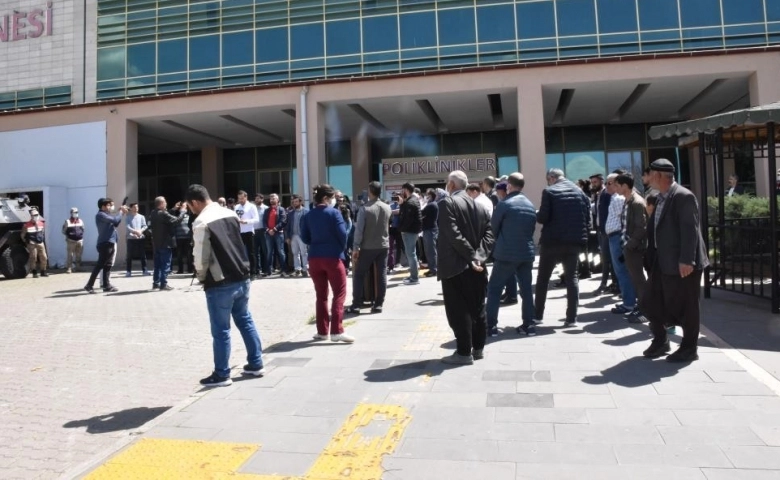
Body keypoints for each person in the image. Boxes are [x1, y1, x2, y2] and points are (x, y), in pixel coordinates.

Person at [186, 184, 264, 387]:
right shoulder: (229, 213)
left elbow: (200, 256)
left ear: (195, 202)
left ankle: (222, 374)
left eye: (190, 206)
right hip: (241, 274)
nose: (190, 210)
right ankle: (256, 363)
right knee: (245, 320)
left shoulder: (201, 221)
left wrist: (202, 277)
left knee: (221, 330)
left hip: (219, 282)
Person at [642, 159, 709, 363]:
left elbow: (690, 230)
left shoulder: (683, 196)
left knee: (687, 306)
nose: (648, 177)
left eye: (651, 174)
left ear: (661, 176)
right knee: (652, 303)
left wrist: (687, 260)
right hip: (662, 262)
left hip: (683, 264)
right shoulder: (659, 197)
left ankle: (689, 348)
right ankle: (661, 340)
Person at [438, 171, 494, 365]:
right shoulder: (480, 206)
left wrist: (472, 257)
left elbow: (452, 233)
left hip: (455, 266)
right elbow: (489, 235)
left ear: (451, 185)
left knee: (458, 310)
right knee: (477, 308)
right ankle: (478, 348)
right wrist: (478, 257)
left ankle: (463, 352)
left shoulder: (447, 203)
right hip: (477, 266)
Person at [534, 168, 591, 327]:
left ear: (551, 178)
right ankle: (571, 318)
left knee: (543, 279)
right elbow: (588, 218)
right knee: (572, 278)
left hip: (552, 242)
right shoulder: (580, 192)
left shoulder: (549, 192)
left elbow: (543, 217)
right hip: (573, 242)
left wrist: (537, 214)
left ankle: (538, 316)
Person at [300, 184, 355, 343]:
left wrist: (316, 243)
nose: (333, 200)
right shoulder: (334, 213)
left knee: (321, 295)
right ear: (326, 198)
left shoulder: (309, 215)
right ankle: (337, 330)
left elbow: (305, 237)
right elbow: (343, 235)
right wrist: (339, 249)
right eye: (332, 198)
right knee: (339, 293)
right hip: (332, 257)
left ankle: (322, 331)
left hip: (314, 257)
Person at [486, 173, 537, 337]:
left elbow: (493, 229)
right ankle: (529, 325)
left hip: (506, 254)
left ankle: (491, 327)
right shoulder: (530, 205)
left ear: (509, 186)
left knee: (494, 290)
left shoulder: (504, 204)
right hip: (526, 254)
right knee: (527, 291)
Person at [345, 181, 391, 315]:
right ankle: (378, 304)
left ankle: (356, 304)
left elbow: (359, 231)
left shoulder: (365, 208)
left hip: (368, 246)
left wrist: (355, 247)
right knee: (381, 274)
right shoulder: (386, 207)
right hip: (383, 245)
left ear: (370, 192)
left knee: (359, 274)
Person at [614, 173, 648, 323]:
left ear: (625, 186)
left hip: (635, 249)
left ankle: (645, 310)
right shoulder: (628, 201)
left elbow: (641, 228)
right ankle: (640, 307)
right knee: (635, 280)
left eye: (617, 185)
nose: (614, 188)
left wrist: (630, 245)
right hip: (629, 248)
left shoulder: (637, 202)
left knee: (639, 281)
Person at [603, 174, 636, 315]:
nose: (607, 186)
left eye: (610, 183)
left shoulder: (619, 199)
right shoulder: (615, 198)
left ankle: (629, 303)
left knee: (622, 271)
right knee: (620, 271)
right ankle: (628, 300)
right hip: (613, 237)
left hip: (617, 237)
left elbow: (624, 221)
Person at [84, 198, 128, 293]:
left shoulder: (106, 215)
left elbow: (116, 222)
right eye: (108, 205)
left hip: (110, 242)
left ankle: (106, 285)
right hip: (105, 243)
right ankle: (89, 285)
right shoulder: (100, 215)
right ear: (103, 206)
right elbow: (115, 219)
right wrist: (120, 212)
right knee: (100, 265)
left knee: (107, 265)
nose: (110, 207)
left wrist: (121, 213)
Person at [149, 196, 187, 291]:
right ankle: (163, 284)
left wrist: (173, 209)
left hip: (157, 244)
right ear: (161, 204)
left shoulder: (153, 213)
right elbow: (176, 220)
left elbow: (166, 216)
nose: (166, 203)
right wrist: (182, 212)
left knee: (157, 265)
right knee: (165, 264)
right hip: (165, 243)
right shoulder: (163, 214)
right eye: (165, 202)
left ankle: (156, 283)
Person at [398, 182, 422, 285]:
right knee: (412, 253)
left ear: (406, 190)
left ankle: (414, 278)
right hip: (412, 231)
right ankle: (413, 275)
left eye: (403, 190)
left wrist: (402, 229)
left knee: (411, 254)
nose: (401, 192)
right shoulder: (412, 200)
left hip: (409, 231)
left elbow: (407, 218)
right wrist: (402, 204)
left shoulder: (410, 202)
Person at [234, 191, 260, 277]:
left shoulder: (251, 206)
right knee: (239, 253)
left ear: (246, 197)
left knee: (251, 253)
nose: (240, 200)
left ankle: (253, 272)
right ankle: (242, 271)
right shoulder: (236, 207)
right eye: (239, 198)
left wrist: (246, 222)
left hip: (248, 231)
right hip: (239, 232)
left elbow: (256, 219)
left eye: (242, 198)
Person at [262, 193, 288, 276]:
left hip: (278, 234)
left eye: (273, 198)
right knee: (269, 252)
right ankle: (268, 271)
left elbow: (283, 221)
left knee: (281, 252)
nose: (272, 200)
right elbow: (264, 221)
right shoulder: (267, 210)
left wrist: (274, 229)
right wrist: (268, 230)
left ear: (277, 200)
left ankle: (284, 270)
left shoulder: (281, 209)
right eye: (270, 199)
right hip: (268, 234)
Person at [285, 194, 308, 277]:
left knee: (304, 253)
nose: (294, 203)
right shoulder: (290, 213)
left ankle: (305, 269)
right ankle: (297, 269)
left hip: (302, 235)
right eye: (293, 202)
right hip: (293, 235)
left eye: (296, 201)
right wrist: (287, 237)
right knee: (295, 253)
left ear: (300, 202)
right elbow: (287, 226)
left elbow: (308, 225)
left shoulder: (306, 212)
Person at [21, 207, 48, 278]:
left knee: (44, 257)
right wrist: (27, 242)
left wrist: (41, 239)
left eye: (37, 215)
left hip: (40, 242)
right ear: (31, 216)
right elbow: (22, 235)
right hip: (32, 243)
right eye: (34, 215)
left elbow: (42, 232)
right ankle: (34, 272)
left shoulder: (41, 223)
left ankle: (43, 271)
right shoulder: (26, 225)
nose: (36, 216)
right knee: (33, 258)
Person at [125, 203, 150, 276]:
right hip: (131, 238)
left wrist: (140, 231)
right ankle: (128, 271)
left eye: (137, 207)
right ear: (131, 208)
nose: (136, 208)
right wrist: (135, 232)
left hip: (140, 237)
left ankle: (144, 270)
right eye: (134, 207)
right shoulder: (128, 217)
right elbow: (128, 226)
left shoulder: (141, 217)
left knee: (143, 255)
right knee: (129, 255)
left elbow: (145, 226)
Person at [421, 188, 439, 278]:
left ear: (431, 196)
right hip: (430, 229)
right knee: (429, 251)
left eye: (427, 195)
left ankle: (434, 270)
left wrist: (423, 203)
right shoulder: (431, 204)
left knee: (431, 251)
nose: (426, 196)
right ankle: (432, 268)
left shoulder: (431, 205)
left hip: (430, 230)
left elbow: (421, 213)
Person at [62, 207, 85, 274]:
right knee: (70, 255)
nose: (76, 214)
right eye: (74, 212)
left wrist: (80, 234)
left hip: (80, 241)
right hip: (71, 241)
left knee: (79, 255)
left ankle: (78, 267)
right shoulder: (67, 221)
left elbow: (83, 229)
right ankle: (69, 268)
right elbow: (63, 231)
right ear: (71, 213)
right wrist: (69, 236)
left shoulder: (80, 221)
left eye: (77, 212)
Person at [174, 205, 193, 274]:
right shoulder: (177, 218)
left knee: (189, 255)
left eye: (185, 208)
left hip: (187, 238)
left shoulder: (189, 218)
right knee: (179, 255)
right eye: (182, 208)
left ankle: (190, 269)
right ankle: (180, 270)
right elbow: (175, 226)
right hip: (179, 238)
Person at [254, 193, 269, 278]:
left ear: (262, 199)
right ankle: (257, 270)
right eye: (256, 199)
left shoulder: (266, 208)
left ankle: (266, 270)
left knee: (265, 251)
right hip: (254, 231)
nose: (256, 200)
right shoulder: (253, 208)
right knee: (256, 252)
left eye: (258, 199)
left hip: (263, 231)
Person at [388, 192, 402, 272]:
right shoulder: (391, 205)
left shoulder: (401, 204)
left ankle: (398, 262)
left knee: (399, 246)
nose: (395, 198)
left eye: (396, 196)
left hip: (399, 228)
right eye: (393, 196)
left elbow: (399, 211)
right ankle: (391, 263)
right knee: (391, 246)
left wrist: (392, 211)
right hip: (392, 228)